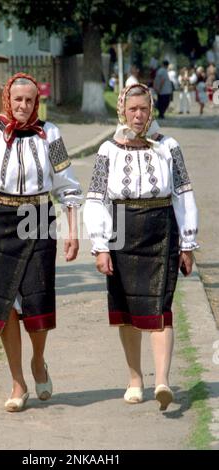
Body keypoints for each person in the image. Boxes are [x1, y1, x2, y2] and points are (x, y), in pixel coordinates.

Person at [0, 72, 83, 412]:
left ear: (36, 101)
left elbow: (67, 186)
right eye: (17, 100)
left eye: (29, 100)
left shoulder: (51, 134)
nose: (23, 106)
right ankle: (17, 382)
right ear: (7, 100)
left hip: (39, 217)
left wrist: (72, 231)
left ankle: (38, 361)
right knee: (6, 301)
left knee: (36, 299)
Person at [84, 83, 199, 411]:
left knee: (161, 309)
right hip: (121, 232)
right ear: (122, 109)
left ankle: (162, 380)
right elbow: (96, 198)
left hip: (162, 232)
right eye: (132, 109)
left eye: (144, 109)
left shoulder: (169, 146)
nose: (138, 115)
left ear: (151, 110)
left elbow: (183, 194)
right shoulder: (108, 150)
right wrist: (100, 246)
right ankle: (135, 378)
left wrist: (188, 243)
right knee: (127, 313)